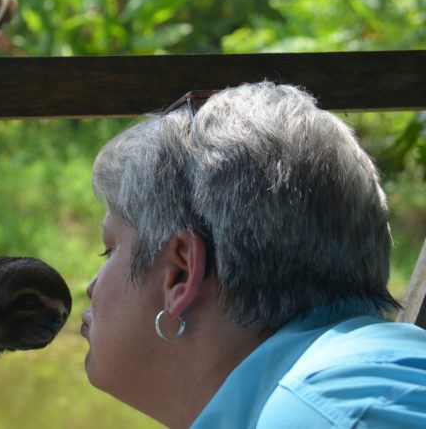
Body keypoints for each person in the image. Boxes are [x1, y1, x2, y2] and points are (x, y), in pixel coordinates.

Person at [80, 81, 426, 428]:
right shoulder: (361, 371)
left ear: (180, 273)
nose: (91, 287)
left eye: (109, 250)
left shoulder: (319, 415)